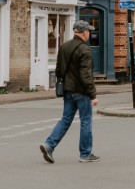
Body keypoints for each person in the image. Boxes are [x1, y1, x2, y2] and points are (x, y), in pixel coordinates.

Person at [40, 20, 100, 163]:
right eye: (88, 32)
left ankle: (49, 144)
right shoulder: (84, 50)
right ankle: (85, 153)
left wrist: (65, 84)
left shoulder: (64, 47)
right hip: (81, 91)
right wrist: (93, 94)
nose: (89, 34)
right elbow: (86, 75)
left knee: (66, 119)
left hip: (68, 90)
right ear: (84, 33)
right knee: (86, 120)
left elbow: (58, 70)